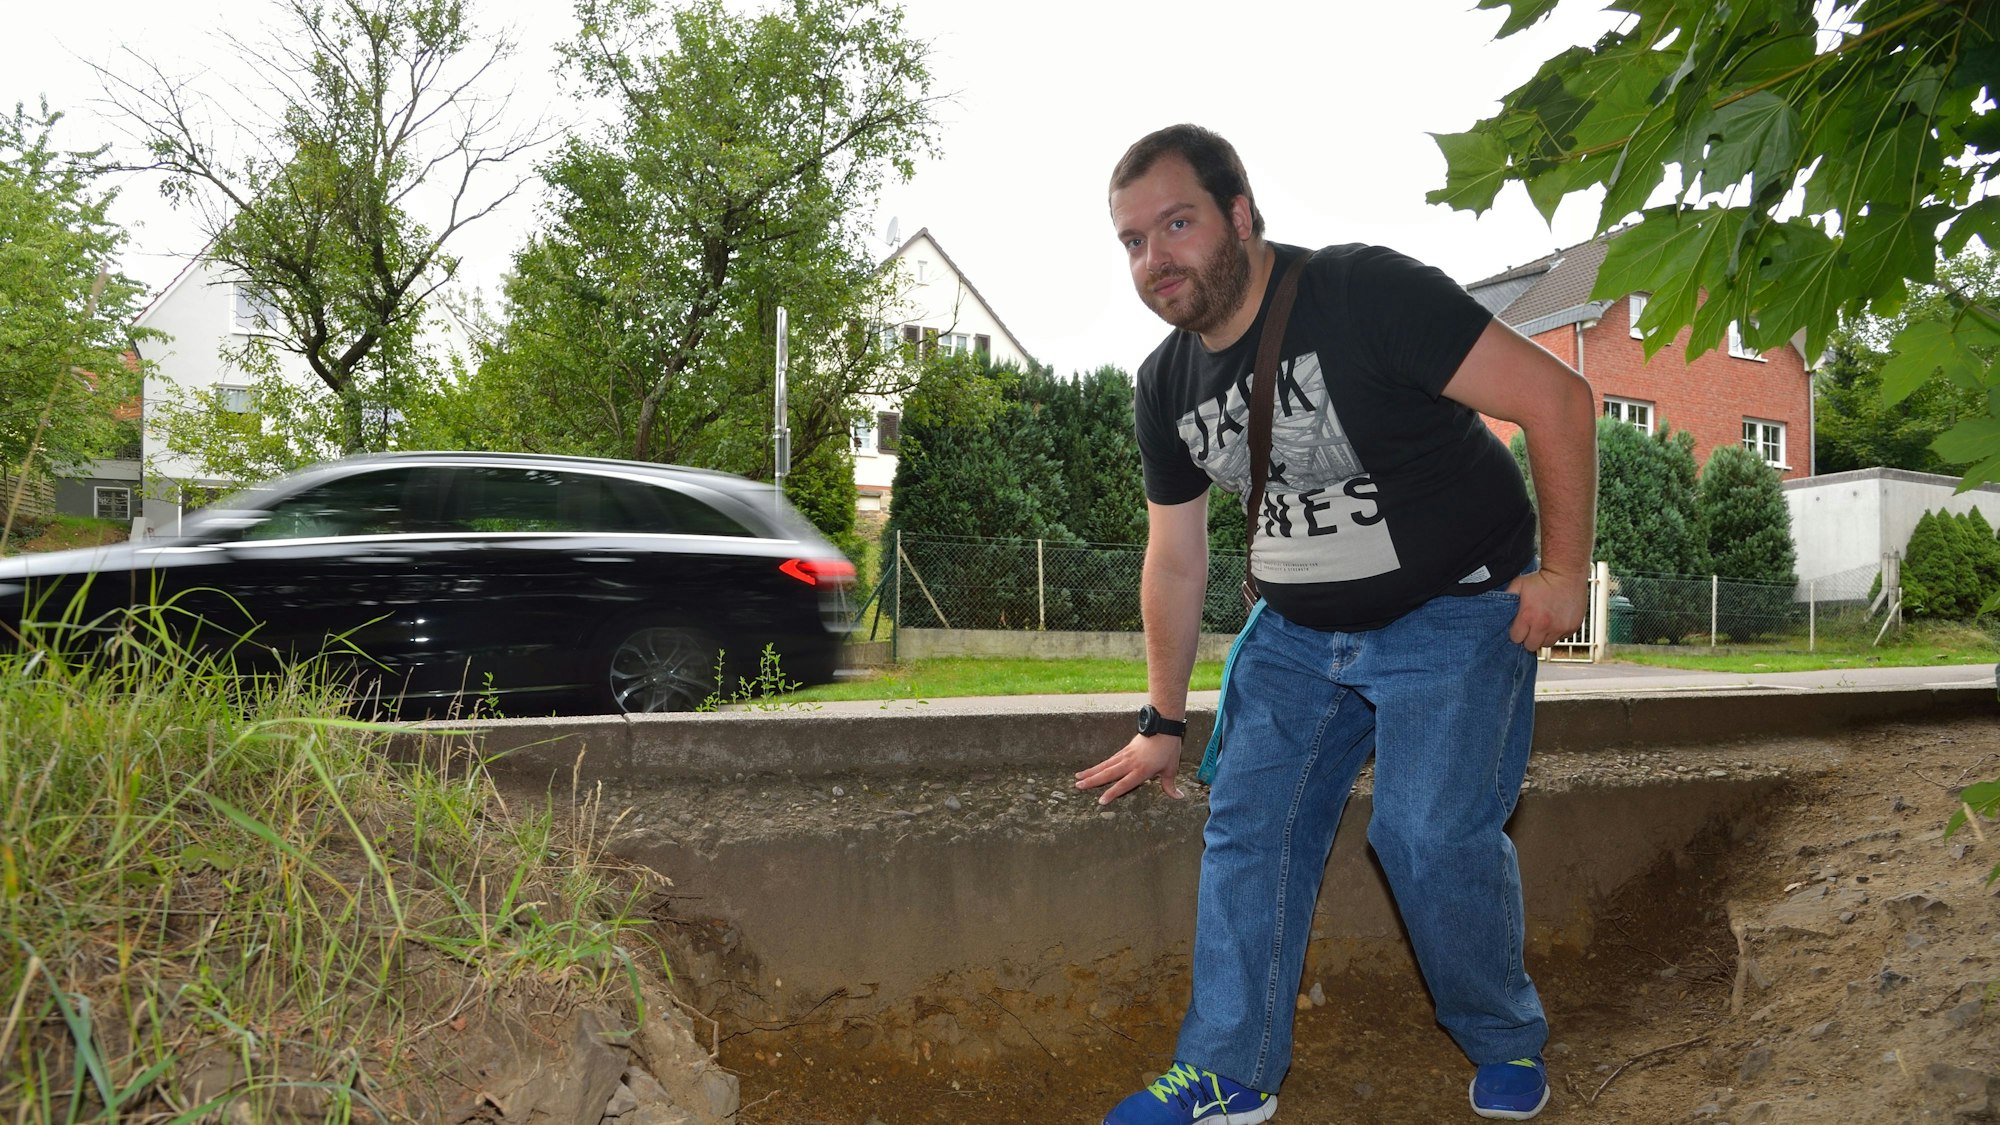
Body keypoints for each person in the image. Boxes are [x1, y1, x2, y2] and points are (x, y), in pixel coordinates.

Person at [1076, 124, 1598, 1124]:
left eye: (1175, 224)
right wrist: (1160, 719)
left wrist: (1562, 575)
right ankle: (1228, 1073)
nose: (1155, 259)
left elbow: (1556, 398)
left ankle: (1501, 1038)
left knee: (1425, 836)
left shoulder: (1364, 295)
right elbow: (1175, 557)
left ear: (1239, 215)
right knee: (1247, 824)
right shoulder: (1165, 384)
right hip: (1296, 633)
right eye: (1132, 241)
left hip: (1451, 610)